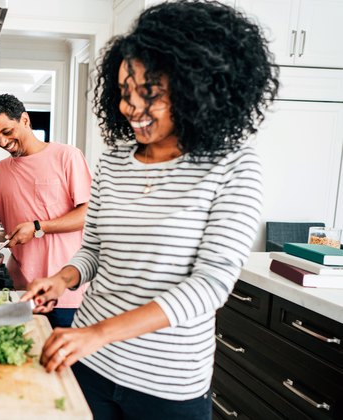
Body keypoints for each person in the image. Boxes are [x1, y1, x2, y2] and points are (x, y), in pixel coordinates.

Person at [20, 1, 279, 419]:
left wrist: (98, 334)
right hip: (90, 364)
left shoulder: (233, 166)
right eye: (125, 93)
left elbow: (211, 284)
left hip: (166, 383)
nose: (131, 108)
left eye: (150, 93)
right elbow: (95, 251)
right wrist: (61, 278)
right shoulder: (114, 160)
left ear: (199, 87)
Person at [0, 93, 93, 328]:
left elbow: (88, 214)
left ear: (25, 121)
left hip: (66, 292)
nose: (2, 142)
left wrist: (38, 227)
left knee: (63, 362)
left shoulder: (67, 156)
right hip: (21, 288)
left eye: (7, 132)